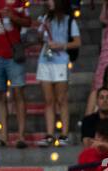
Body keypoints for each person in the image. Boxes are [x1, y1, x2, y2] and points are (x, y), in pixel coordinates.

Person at [0, 0, 31, 148]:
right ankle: (3, 136)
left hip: (13, 55)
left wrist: (13, 17)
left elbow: (28, 22)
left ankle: (21, 136)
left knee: (18, 94)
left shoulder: (19, 2)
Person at [36, 0, 79, 145]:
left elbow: (77, 42)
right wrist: (42, 29)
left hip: (60, 62)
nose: (48, 2)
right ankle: (49, 134)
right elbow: (39, 39)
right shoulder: (45, 18)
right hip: (45, 61)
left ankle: (64, 135)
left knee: (61, 100)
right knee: (48, 100)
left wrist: (61, 45)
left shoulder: (69, 20)